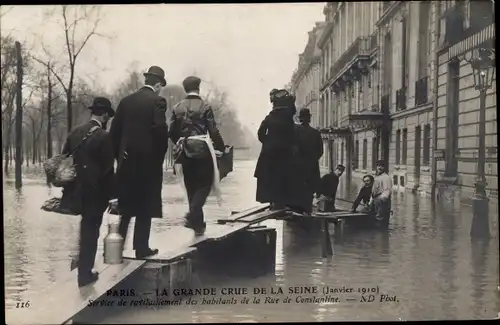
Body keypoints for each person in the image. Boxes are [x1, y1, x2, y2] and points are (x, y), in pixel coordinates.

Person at [109, 65, 169, 259]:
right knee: (145, 206)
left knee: (125, 207)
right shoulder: (158, 101)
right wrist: (158, 158)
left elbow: (114, 134)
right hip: (148, 164)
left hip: (126, 164)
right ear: (158, 84)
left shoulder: (126, 102)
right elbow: (160, 131)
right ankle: (141, 248)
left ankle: (117, 249)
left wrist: (120, 157)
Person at [61, 97, 116, 287]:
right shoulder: (104, 136)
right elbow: (108, 170)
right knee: (91, 231)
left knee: (85, 228)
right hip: (96, 191)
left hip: (76, 190)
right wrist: (113, 198)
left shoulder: (75, 132)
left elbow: (65, 158)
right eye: (108, 115)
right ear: (105, 115)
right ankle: (85, 274)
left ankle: (80, 264)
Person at [169, 76, 226, 236]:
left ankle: (198, 227)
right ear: (198, 88)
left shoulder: (177, 107)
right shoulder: (205, 106)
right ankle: (193, 215)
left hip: (185, 151)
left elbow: (172, 132)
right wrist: (221, 147)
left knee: (191, 187)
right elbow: (213, 130)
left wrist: (180, 142)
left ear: (185, 89)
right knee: (204, 185)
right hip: (202, 149)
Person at [254, 89, 298, 210]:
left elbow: (260, 133)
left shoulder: (269, 118)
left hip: (270, 151)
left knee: (269, 175)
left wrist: (268, 142)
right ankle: (281, 202)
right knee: (283, 176)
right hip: (285, 151)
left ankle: (272, 200)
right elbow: (292, 135)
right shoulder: (288, 119)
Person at [292, 108, 323, 214]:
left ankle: (300, 215)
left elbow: (293, 149)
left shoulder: (296, 132)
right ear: (309, 119)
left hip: (298, 168)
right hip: (312, 168)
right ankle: (308, 213)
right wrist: (313, 160)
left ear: (300, 119)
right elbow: (320, 151)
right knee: (310, 192)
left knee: (299, 192)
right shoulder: (316, 133)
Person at [369, 160, 392, 225]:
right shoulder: (377, 177)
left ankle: (381, 233)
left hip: (382, 202)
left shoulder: (386, 177)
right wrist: (371, 202)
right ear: (376, 167)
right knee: (375, 219)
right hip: (376, 200)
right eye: (378, 166)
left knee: (380, 220)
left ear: (385, 168)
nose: (380, 167)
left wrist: (381, 201)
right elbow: (374, 191)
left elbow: (387, 191)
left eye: (382, 166)